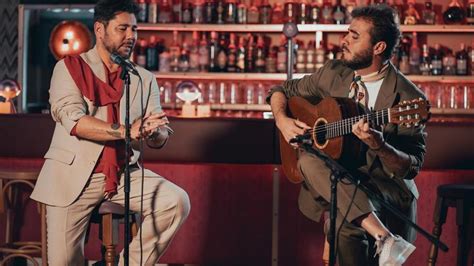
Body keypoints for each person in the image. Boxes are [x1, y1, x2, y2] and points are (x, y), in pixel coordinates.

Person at [30, 0, 190, 264]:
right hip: (72, 175)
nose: (131, 36)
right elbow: (75, 122)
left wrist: (154, 133)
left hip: (124, 173)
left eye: (135, 29)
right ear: (100, 29)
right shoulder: (68, 68)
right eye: (123, 29)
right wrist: (129, 131)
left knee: (176, 201)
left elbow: (160, 134)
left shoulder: (144, 78)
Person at [268, 4, 426, 266]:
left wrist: (381, 145)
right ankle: (384, 237)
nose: (344, 40)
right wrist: (283, 120)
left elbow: (410, 167)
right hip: (338, 179)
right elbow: (281, 89)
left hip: (382, 186)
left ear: (378, 47)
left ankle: (382, 235)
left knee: (342, 221)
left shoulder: (408, 99)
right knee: (306, 160)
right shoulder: (334, 73)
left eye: (354, 36)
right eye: (347, 33)